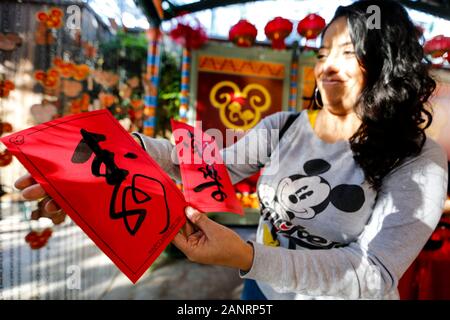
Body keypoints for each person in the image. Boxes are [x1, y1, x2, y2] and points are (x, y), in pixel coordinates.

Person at [14, 0, 448, 299]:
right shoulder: (288, 125)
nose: (326, 67)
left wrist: (245, 255)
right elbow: (211, 168)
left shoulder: (418, 159)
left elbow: (373, 273)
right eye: (322, 52)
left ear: (387, 63)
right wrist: (122, 150)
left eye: (348, 52)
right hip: (259, 289)